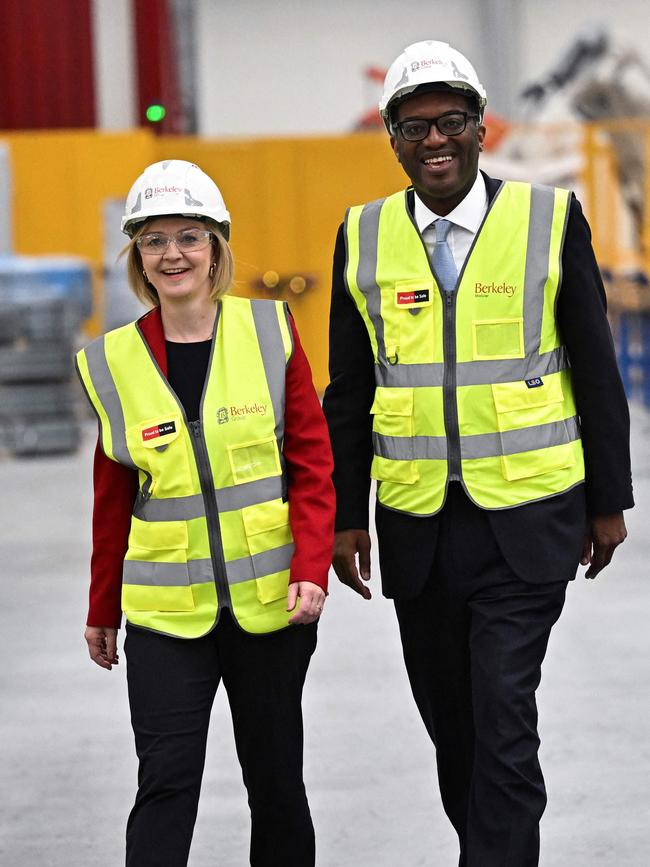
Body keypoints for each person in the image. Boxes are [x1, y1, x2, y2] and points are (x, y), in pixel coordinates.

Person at [323, 41, 633, 867]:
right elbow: (348, 393)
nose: (435, 141)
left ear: (481, 129)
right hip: (419, 526)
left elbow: (597, 370)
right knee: (452, 725)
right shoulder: (362, 237)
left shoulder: (549, 220)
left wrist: (611, 499)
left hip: (530, 517)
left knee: (502, 711)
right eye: (414, 126)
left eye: (452, 122)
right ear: (390, 137)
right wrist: (345, 517)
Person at [75, 159, 335, 867]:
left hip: (271, 605)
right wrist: (104, 608)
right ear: (138, 257)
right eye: (154, 241)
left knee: (277, 785)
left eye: (188, 236)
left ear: (217, 246)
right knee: (165, 784)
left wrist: (311, 567)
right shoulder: (111, 362)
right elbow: (111, 502)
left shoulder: (269, 332)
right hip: (166, 615)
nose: (173, 254)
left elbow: (313, 465)